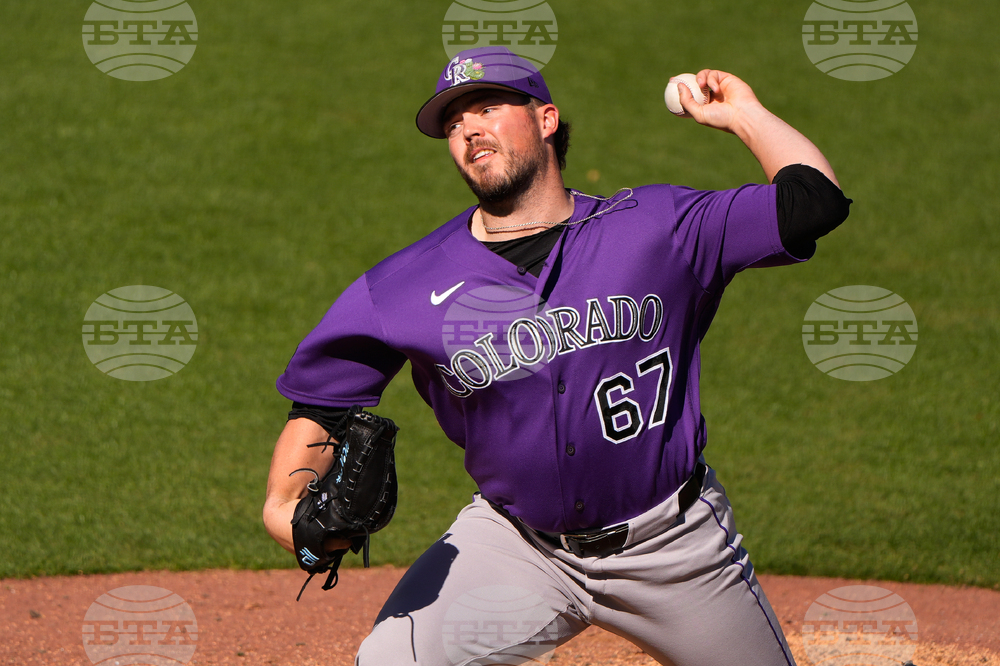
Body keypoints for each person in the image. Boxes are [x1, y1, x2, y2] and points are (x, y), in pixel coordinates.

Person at [263, 46, 850, 665]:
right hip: (518, 546)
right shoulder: (404, 286)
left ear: (546, 120)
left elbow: (814, 203)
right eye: (454, 122)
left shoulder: (657, 227)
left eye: (487, 107)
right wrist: (289, 517)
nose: (469, 129)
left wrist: (746, 115)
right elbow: (323, 407)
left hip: (675, 547)